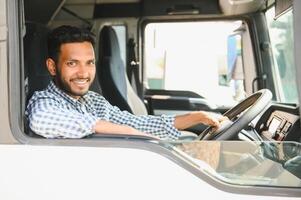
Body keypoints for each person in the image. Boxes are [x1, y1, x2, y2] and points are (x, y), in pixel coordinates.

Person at [25, 25, 224, 140]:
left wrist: (197, 117)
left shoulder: (94, 101)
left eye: (90, 62)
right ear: (52, 67)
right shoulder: (44, 101)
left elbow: (136, 122)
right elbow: (41, 119)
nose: (84, 73)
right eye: (72, 63)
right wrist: (139, 137)